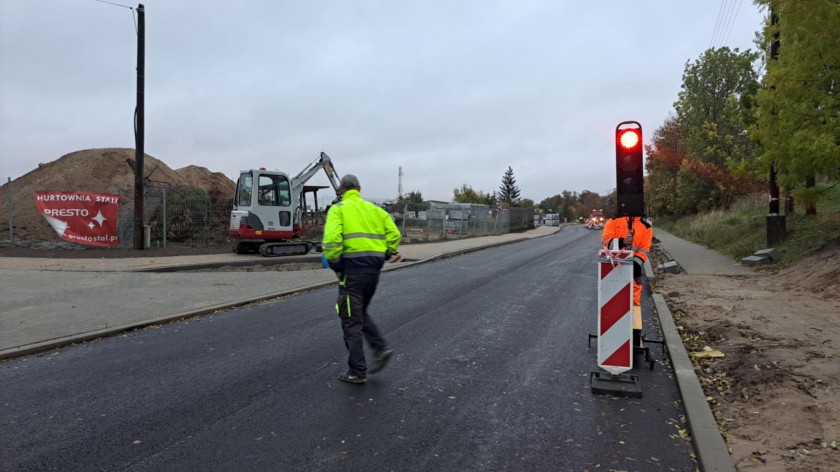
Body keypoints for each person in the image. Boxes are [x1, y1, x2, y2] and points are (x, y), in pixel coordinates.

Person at [323, 174, 401, 384]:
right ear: (359, 188)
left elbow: (331, 242)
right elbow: (394, 234)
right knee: (360, 313)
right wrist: (386, 253)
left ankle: (357, 371)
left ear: (341, 190)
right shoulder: (375, 210)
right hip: (373, 273)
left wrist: (336, 265)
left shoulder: (338, 210)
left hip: (351, 274)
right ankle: (381, 348)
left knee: (351, 321)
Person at [601, 215, 653, 346]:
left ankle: (635, 338)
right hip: (613, 271)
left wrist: (634, 265)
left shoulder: (645, 225)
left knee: (634, 303)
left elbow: (644, 250)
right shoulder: (614, 221)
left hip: (633, 272)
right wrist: (622, 241)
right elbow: (606, 242)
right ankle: (613, 336)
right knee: (614, 302)